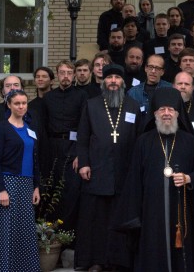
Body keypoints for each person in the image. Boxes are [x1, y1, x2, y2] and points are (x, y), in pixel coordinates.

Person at [114, 88, 194, 272]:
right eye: (162, 109)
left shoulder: (190, 142)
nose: (166, 113)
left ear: (178, 114)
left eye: (170, 110)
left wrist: (189, 178)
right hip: (150, 213)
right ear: (154, 113)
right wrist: (134, 216)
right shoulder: (143, 142)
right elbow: (133, 181)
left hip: (181, 211)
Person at [76, 64, 143, 271]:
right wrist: (84, 163)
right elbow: (82, 137)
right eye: (110, 78)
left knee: (120, 218)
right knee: (97, 220)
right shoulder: (92, 104)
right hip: (97, 170)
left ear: (123, 82)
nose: (113, 81)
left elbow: (139, 140)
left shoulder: (133, 106)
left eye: (117, 78)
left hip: (124, 172)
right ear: (103, 81)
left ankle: (119, 260)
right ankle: (96, 260)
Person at [0, 89, 41, 271]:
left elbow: (34, 159)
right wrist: (1, 189)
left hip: (26, 185)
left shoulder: (30, 130)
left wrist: (36, 186)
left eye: (24, 103)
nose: (21, 106)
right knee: (3, 230)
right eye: (17, 103)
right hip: (8, 184)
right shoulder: (2, 128)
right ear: (9, 105)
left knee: (23, 231)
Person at [41, 60, 89, 227]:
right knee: (51, 187)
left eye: (69, 73)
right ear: (57, 75)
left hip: (72, 147)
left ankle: (67, 231)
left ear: (74, 75)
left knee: (70, 190)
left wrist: (79, 154)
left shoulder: (82, 96)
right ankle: (49, 231)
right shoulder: (48, 98)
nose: (66, 76)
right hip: (52, 147)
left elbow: (84, 125)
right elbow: (44, 126)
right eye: (62, 73)